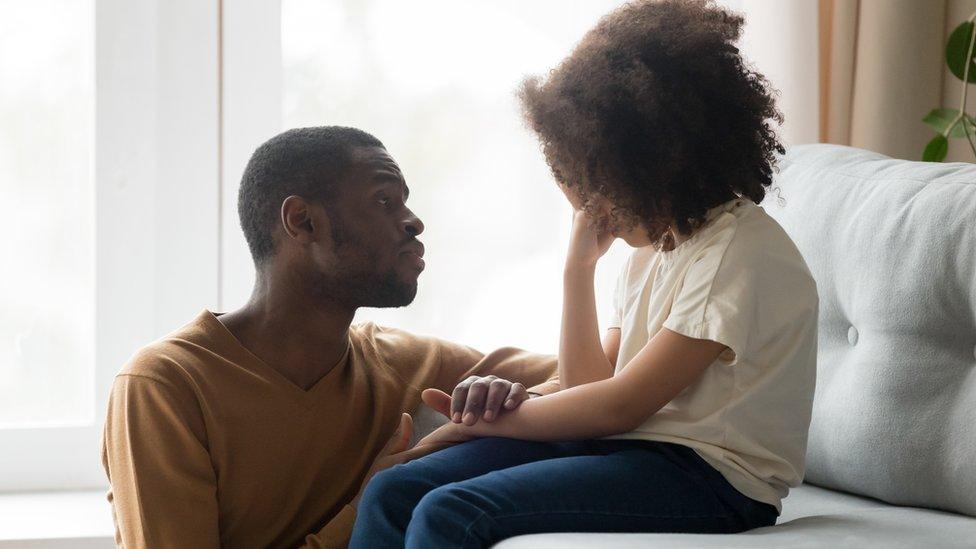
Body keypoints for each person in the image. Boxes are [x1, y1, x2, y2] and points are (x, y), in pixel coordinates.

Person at [349, 1, 820, 547]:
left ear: (655, 166)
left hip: (711, 480)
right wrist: (578, 271)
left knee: (453, 512)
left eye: (602, 197)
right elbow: (589, 389)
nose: (595, 216)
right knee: (395, 491)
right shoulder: (656, 251)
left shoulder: (739, 252)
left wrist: (493, 422)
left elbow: (620, 404)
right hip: (627, 447)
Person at [100, 126, 559, 548]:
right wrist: (369, 505)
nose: (414, 222)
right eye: (385, 200)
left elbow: (592, 376)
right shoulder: (165, 386)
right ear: (302, 221)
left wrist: (510, 401)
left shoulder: (406, 363)